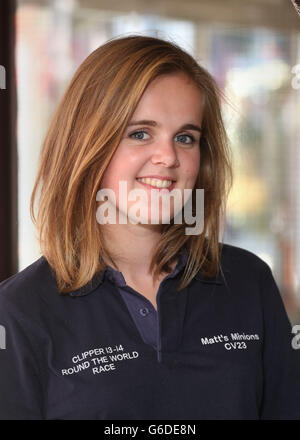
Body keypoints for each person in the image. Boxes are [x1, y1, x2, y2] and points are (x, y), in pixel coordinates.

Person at [0, 35, 299, 420]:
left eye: (186, 137)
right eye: (140, 133)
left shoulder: (247, 281)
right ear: (87, 144)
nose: (168, 157)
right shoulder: (19, 312)